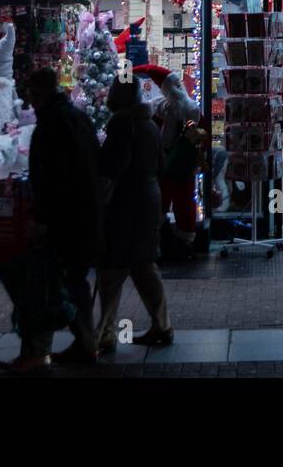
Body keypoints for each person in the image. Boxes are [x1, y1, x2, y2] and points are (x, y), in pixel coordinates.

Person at [0, 68, 102, 374]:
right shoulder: (76, 118)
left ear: (36, 93)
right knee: (73, 281)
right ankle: (85, 342)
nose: (28, 99)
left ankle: (37, 350)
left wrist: (41, 217)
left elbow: (52, 179)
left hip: (65, 218)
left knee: (43, 283)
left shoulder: (51, 126)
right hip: (85, 214)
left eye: (30, 92)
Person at [96, 79, 174, 354]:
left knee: (112, 270)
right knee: (144, 266)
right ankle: (161, 325)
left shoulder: (121, 125)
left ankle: (105, 331)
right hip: (149, 201)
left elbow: (112, 167)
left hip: (125, 204)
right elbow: (161, 166)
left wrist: (101, 199)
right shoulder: (150, 124)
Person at [155, 70, 202, 261]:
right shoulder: (190, 108)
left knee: (167, 201)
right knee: (183, 202)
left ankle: (166, 240)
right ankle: (184, 241)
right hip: (183, 163)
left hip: (168, 162)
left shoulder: (161, 108)